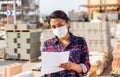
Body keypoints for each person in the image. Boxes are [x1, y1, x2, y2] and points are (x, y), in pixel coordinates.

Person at [42, 10, 91, 77]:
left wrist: (72, 66)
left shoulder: (80, 41)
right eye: (53, 27)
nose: (57, 29)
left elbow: (86, 66)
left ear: (68, 23)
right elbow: (44, 70)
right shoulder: (47, 44)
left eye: (60, 25)